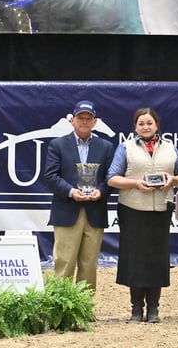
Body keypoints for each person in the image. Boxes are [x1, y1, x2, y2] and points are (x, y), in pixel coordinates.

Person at [106, 107, 178, 323]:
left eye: (149, 123)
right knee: (135, 260)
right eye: (141, 123)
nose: (145, 127)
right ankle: (135, 309)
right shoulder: (125, 147)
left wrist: (171, 179)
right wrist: (136, 184)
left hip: (160, 210)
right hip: (132, 210)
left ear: (157, 125)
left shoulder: (170, 148)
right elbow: (112, 178)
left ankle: (153, 309)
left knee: (156, 260)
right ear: (135, 127)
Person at [43, 100, 115, 291]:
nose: (84, 122)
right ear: (72, 120)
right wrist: (70, 191)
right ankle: (59, 307)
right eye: (80, 118)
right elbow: (50, 176)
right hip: (67, 210)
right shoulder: (57, 145)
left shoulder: (106, 147)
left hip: (95, 211)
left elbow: (110, 177)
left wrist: (101, 191)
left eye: (88, 118)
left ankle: (84, 307)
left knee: (89, 263)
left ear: (95, 122)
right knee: (64, 261)